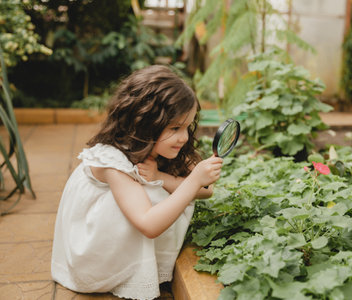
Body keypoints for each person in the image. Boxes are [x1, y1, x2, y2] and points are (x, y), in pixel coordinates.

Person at [51, 65, 223, 299]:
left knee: (159, 189)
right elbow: (149, 224)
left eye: (187, 126)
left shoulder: (163, 147)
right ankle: (128, 272)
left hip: (122, 228)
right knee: (154, 196)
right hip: (93, 254)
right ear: (145, 123)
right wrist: (191, 182)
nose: (184, 137)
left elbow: (206, 190)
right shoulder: (113, 161)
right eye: (175, 127)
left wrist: (161, 177)